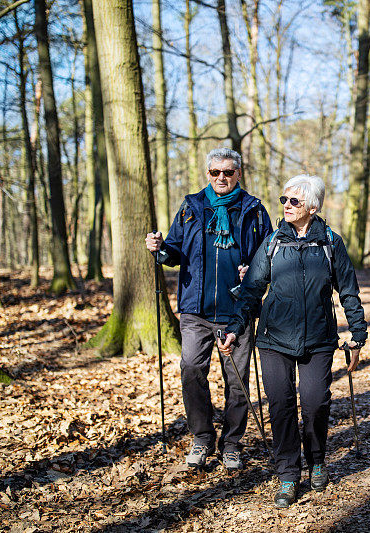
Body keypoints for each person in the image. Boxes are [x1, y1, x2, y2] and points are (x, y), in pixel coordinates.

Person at [217, 174, 367, 508]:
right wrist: (234, 328)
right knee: (281, 406)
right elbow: (251, 291)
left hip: (319, 338)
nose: (286, 205)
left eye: (294, 201)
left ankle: (316, 460)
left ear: (313, 206)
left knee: (315, 403)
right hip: (273, 339)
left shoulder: (330, 243)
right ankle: (287, 473)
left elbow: (348, 291)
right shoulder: (272, 243)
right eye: (284, 199)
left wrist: (358, 336)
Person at [145, 148, 272, 471]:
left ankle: (232, 443)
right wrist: (160, 249)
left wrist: (256, 271)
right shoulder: (192, 207)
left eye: (228, 173)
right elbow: (174, 251)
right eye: (215, 173)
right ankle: (202, 437)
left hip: (237, 310)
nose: (221, 178)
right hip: (195, 309)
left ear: (238, 174)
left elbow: (269, 254)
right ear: (208, 174)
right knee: (190, 369)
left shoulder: (254, 210)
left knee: (238, 379)